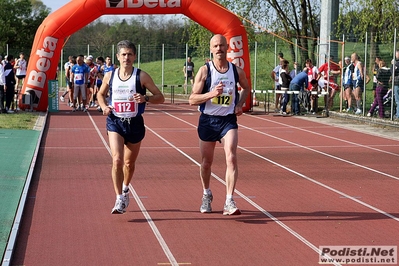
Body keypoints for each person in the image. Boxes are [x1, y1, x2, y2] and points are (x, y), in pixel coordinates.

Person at [97, 40, 165, 214]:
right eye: (123, 54)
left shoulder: (141, 76)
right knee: (117, 160)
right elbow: (100, 94)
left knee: (129, 163)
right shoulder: (110, 75)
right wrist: (104, 107)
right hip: (115, 122)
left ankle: (126, 188)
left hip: (134, 123)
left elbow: (160, 97)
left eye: (129, 54)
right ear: (118, 57)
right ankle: (119, 198)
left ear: (134, 56)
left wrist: (146, 99)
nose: (126, 57)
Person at [188, 34, 250, 216]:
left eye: (222, 45)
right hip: (208, 120)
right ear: (211, 49)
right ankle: (206, 194)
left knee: (231, 157)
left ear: (227, 48)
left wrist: (239, 104)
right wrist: (211, 94)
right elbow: (192, 99)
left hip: (227, 121)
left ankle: (229, 199)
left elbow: (246, 88)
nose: (219, 49)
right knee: (206, 163)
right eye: (215, 46)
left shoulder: (236, 71)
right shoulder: (205, 71)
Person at [391, 50, 399, 120]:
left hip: (397, 82)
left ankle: (398, 115)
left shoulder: (397, 63)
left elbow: (393, 71)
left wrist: (393, 64)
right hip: (396, 82)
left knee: (397, 100)